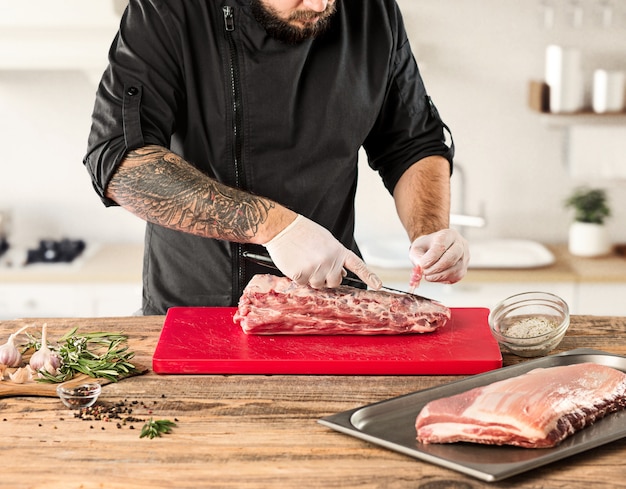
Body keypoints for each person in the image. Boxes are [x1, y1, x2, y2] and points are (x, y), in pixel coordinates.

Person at [84, 0, 470, 315]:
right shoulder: (168, 11)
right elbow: (122, 164)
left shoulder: (374, 12)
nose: (320, 4)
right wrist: (275, 226)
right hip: (195, 310)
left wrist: (430, 230)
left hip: (332, 304)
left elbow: (414, 142)